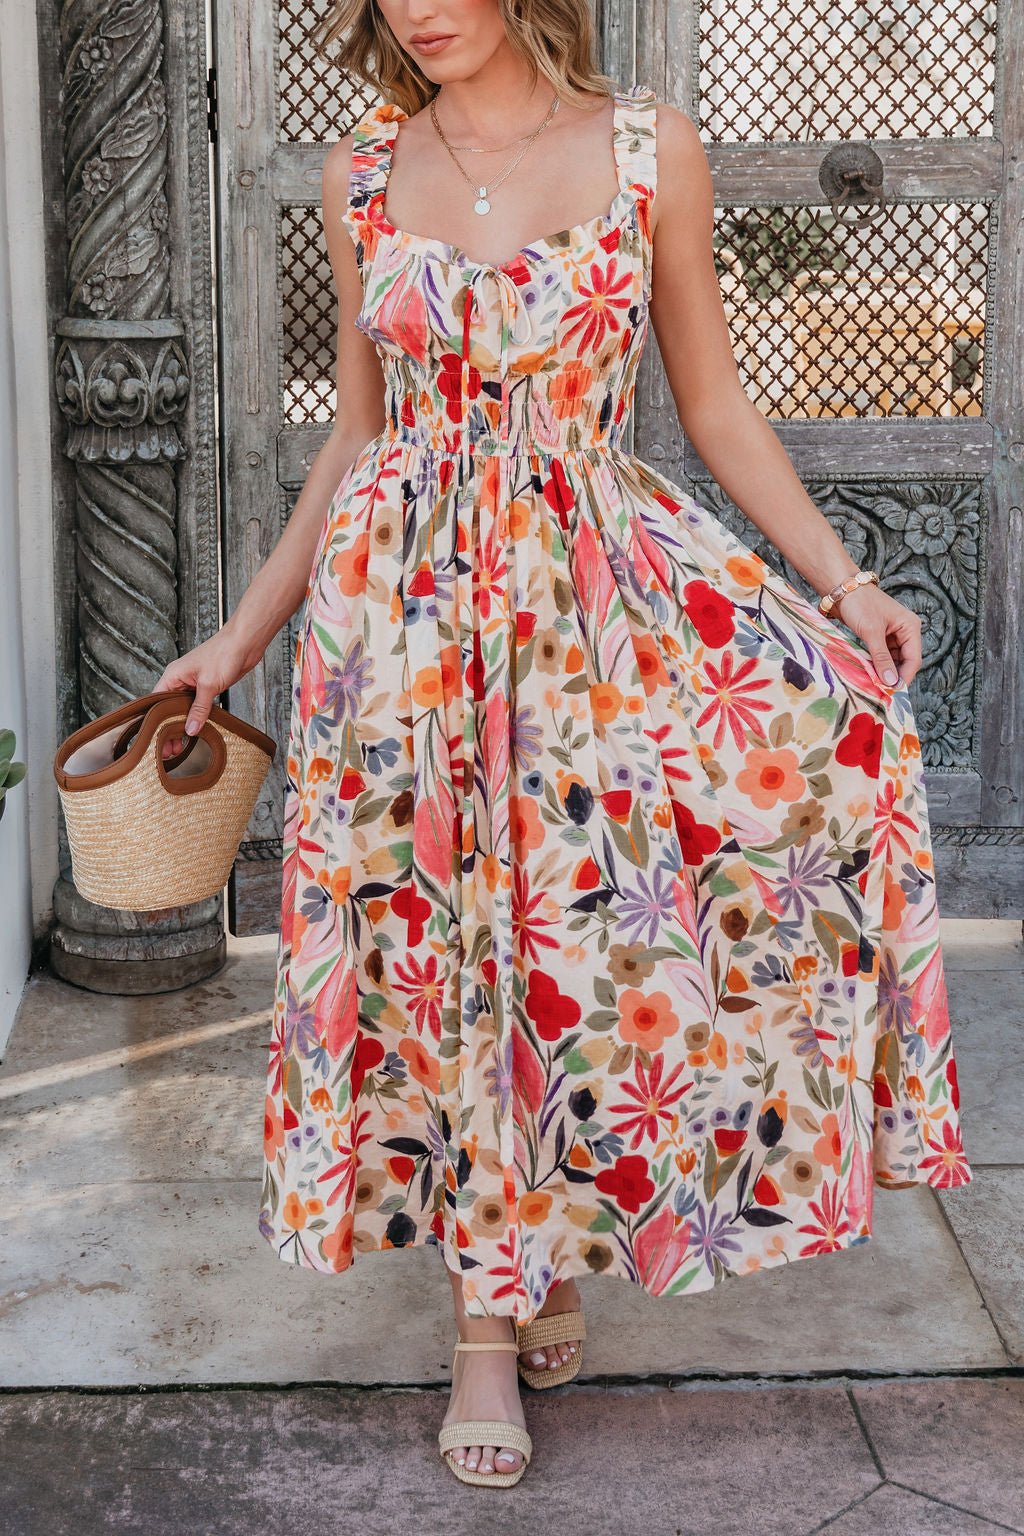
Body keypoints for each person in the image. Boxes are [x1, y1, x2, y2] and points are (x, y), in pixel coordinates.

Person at [155, 0, 972, 1489]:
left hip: (590, 617)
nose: (416, 4)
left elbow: (712, 404)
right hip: (395, 633)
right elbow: (351, 437)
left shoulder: (653, 152)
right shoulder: (360, 175)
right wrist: (243, 637)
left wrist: (842, 586)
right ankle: (484, 1323)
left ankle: (546, 1242)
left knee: (575, 959)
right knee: (446, 957)